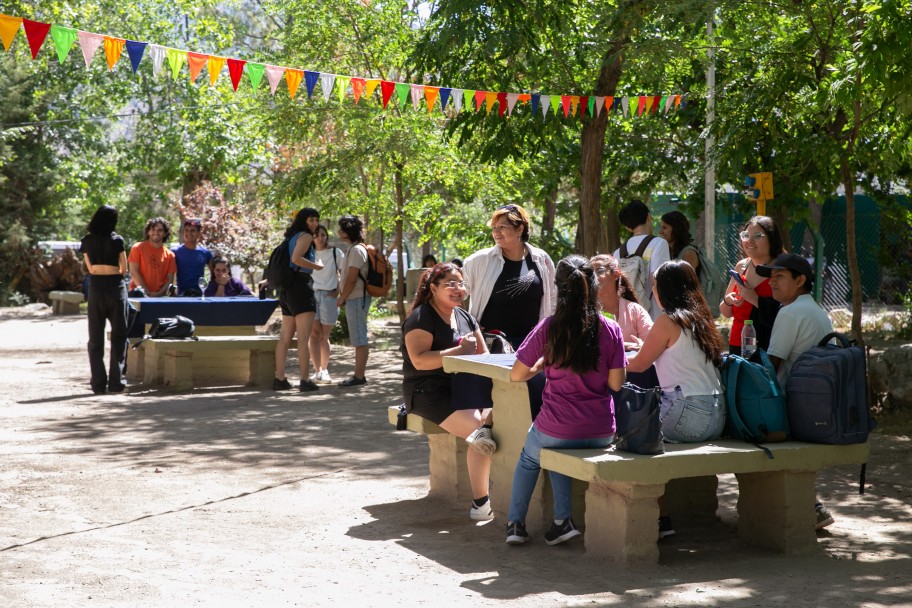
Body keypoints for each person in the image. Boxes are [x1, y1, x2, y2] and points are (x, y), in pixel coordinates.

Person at [505, 255, 627, 546]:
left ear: (558, 288)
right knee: (560, 452)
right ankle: (562, 521)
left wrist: (541, 366)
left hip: (556, 429)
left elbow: (516, 375)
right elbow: (616, 383)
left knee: (530, 457)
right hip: (600, 432)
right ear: (594, 286)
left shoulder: (550, 327)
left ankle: (515, 525)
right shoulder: (610, 329)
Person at [626, 260, 727, 538]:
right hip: (716, 416)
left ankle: (661, 520)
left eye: (655, 286)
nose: (652, 291)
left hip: (688, 415)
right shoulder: (701, 318)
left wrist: (607, 363)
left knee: (633, 438)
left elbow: (638, 366)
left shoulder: (667, 320)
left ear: (665, 289)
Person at [402, 262, 496, 521]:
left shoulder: (466, 317)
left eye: (461, 284)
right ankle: (481, 503)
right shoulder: (421, 317)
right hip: (428, 390)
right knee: (480, 431)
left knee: (498, 419)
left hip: (466, 387)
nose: (458, 289)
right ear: (433, 288)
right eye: (450, 284)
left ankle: (491, 491)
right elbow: (419, 361)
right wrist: (457, 352)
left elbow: (484, 357)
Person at [756, 253, 836, 529]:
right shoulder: (813, 308)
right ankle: (812, 506)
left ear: (800, 280)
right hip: (817, 405)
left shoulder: (790, 312)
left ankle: (807, 508)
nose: (772, 283)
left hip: (797, 406)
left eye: (780, 277)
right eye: (771, 277)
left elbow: (770, 367)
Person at [462, 203, 556, 420]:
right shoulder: (479, 261)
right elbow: (459, 294)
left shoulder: (541, 259)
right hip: (491, 345)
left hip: (532, 344)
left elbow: (552, 301)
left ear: (520, 228)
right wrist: (469, 324)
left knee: (534, 397)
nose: (496, 232)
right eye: (494, 227)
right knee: (493, 403)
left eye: (502, 227)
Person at [79, 205, 129, 395]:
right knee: (118, 336)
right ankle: (116, 383)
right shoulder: (117, 240)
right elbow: (123, 268)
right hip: (116, 287)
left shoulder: (86, 241)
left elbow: (90, 269)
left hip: (96, 288)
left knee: (95, 338)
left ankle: (98, 384)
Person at [273, 208, 324, 392]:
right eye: (311, 220)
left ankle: (280, 378)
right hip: (300, 287)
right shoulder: (305, 237)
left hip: (287, 290)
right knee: (304, 338)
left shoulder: (291, 238)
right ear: (303, 220)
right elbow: (296, 259)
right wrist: (316, 266)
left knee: (285, 336)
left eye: (316, 220)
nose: (315, 223)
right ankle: (305, 379)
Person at [719, 216, 785, 355]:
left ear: (772, 238)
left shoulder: (782, 269)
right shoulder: (741, 266)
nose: (749, 241)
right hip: (737, 344)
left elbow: (786, 314)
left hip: (767, 347)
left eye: (757, 236)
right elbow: (726, 312)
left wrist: (754, 298)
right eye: (746, 235)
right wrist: (729, 300)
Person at [590, 253, 657, 387]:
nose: (594, 277)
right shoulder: (586, 314)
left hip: (634, 389)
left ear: (616, 274)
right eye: (590, 273)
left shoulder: (634, 310)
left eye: (600, 271)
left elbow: (652, 346)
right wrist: (625, 346)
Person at [612, 199, 671, 320]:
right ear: (648, 216)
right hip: (654, 316)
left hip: (628, 318)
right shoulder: (659, 243)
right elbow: (657, 279)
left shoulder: (618, 253)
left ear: (628, 228)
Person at [335, 214, 371, 387]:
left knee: (359, 338)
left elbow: (351, 278)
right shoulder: (353, 249)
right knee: (358, 337)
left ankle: (359, 376)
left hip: (356, 298)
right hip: (354, 298)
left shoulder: (357, 250)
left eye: (342, 229)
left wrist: (342, 297)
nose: (339, 232)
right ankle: (358, 375)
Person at [308, 225, 344, 385]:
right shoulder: (308, 253)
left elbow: (345, 272)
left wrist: (338, 291)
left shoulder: (335, 252)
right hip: (313, 294)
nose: (320, 238)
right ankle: (317, 371)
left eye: (323, 235)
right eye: (317, 235)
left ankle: (325, 369)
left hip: (329, 296)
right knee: (314, 335)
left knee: (324, 336)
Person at [128, 217, 177, 298]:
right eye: (153, 229)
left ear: (165, 233)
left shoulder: (170, 255)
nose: (156, 232)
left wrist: (158, 295)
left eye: (160, 230)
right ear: (148, 232)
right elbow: (134, 272)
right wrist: (146, 292)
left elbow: (170, 280)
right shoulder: (137, 248)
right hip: (138, 296)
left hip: (159, 298)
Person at [172, 218, 212, 296]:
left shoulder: (205, 253)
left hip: (199, 295)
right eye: (186, 230)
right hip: (180, 296)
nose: (189, 233)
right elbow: (169, 275)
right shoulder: (174, 252)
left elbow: (214, 274)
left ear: (199, 233)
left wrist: (209, 290)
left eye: (192, 230)